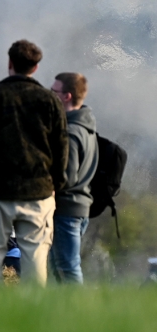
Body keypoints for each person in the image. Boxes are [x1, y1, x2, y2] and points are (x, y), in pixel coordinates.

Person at [0, 40, 68, 286]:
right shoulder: (50, 101)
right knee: (35, 258)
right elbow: (61, 147)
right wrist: (58, 184)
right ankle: (34, 316)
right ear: (36, 67)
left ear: (10, 63)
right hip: (37, 191)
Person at [49, 72, 99, 284]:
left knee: (67, 268)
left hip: (66, 209)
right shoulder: (87, 129)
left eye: (54, 92)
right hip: (78, 208)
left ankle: (81, 313)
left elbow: (65, 178)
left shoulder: (69, 132)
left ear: (66, 96)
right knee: (63, 267)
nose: (51, 95)